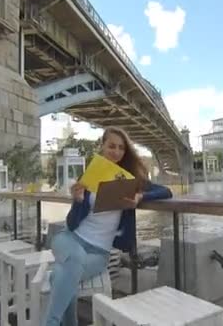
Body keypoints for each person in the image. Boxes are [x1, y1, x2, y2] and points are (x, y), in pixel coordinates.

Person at [44, 126, 173, 326]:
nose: (116, 152)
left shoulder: (130, 180)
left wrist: (140, 196)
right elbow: (71, 223)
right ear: (102, 146)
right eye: (111, 146)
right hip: (68, 239)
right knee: (74, 259)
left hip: (99, 252)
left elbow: (166, 191)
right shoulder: (89, 176)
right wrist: (78, 200)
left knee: (60, 276)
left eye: (121, 148)